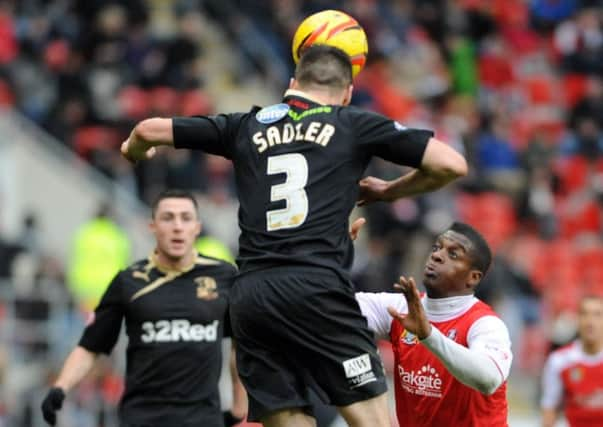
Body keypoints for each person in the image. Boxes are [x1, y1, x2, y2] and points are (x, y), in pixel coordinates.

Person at [120, 45, 468, 427]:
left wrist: (134, 149)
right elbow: (450, 164)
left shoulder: (244, 125)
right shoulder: (352, 122)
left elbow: (147, 129)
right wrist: (388, 192)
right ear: (347, 92)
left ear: (291, 86)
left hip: (252, 299)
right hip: (316, 290)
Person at [41, 189, 246, 427]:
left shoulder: (224, 276)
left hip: (202, 419)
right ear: (152, 227)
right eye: (168, 218)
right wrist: (60, 387)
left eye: (186, 218)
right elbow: (90, 346)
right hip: (142, 419)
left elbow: (239, 345)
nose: (177, 226)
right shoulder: (129, 281)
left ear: (197, 227)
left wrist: (239, 405)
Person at [356, 222, 512, 426]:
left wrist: (429, 335)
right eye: (437, 248)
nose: (437, 255)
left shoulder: (486, 324)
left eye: (453, 254)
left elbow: (489, 379)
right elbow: (329, 306)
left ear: (473, 278)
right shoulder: (401, 308)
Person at [540, 295, 603, 427]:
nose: (590, 321)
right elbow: (550, 409)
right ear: (578, 319)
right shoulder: (559, 360)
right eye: (585, 314)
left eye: (597, 315)